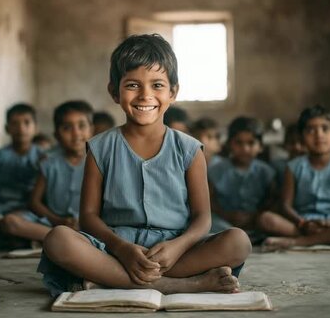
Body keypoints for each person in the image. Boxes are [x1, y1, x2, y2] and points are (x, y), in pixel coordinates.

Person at [38, 34, 250, 297]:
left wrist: (179, 245)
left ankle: (111, 279)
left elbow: (202, 218)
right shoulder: (100, 147)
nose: (145, 95)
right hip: (115, 247)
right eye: (133, 85)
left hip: (174, 252)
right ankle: (181, 285)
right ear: (114, 92)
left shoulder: (190, 149)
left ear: (173, 92)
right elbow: (89, 217)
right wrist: (122, 249)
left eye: (157, 85)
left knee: (238, 242)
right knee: (58, 240)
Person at [257, 105, 330, 251]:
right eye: (311, 130)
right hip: (303, 224)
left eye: (325, 128)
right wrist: (303, 223)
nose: (319, 135)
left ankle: (299, 243)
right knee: (265, 219)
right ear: (302, 137)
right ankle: (329, 239)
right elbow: (285, 205)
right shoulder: (293, 167)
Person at [2, 100, 94, 242]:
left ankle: (61, 240)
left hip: (88, 223)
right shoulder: (49, 163)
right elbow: (34, 202)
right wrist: (57, 220)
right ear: (56, 135)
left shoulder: (99, 162)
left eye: (82, 126)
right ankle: (65, 240)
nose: (76, 133)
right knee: (10, 221)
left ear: (91, 129)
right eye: (67, 128)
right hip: (53, 223)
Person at [208, 117, 276, 234]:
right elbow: (210, 201)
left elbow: (273, 200)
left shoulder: (266, 171)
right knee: (209, 223)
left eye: (251, 143)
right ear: (229, 144)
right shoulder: (216, 170)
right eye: (238, 143)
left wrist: (254, 216)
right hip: (225, 220)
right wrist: (227, 215)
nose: (245, 148)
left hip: (255, 220)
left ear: (260, 147)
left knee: (269, 220)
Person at [0, 103, 45, 242]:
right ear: (7, 128)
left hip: (29, 211)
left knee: (12, 223)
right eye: (15, 123)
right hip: (0, 208)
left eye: (27, 123)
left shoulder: (43, 157)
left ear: (36, 128)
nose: (21, 128)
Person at [271, 123, 306, 194]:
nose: (297, 147)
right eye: (292, 142)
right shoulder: (276, 167)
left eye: (302, 142)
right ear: (285, 145)